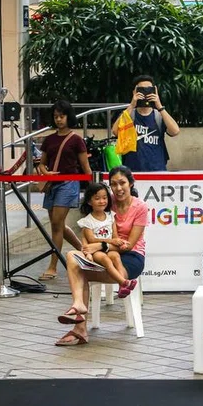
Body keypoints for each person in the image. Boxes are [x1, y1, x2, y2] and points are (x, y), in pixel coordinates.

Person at [56, 166, 147, 346]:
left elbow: (128, 244)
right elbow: (87, 228)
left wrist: (100, 245)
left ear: (131, 183)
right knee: (72, 256)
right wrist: (89, 247)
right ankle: (78, 305)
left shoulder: (140, 207)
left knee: (79, 271)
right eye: (114, 184)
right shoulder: (105, 202)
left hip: (130, 258)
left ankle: (80, 328)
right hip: (103, 255)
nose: (118, 188)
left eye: (122, 183)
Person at [37, 100, 91, 281]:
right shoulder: (49, 139)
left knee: (56, 224)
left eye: (62, 116)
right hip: (52, 183)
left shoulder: (76, 140)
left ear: (69, 116)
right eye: (56, 116)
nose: (59, 120)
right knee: (56, 224)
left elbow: (85, 166)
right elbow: (42, 164)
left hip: (69, 183)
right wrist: (46, 172)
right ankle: (83, 249)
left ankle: (53, 266)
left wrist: (92, 188)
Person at [74, 182, 137, 297]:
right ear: (89, 202)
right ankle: (123, 282)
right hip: (96, 251)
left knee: (116, 257)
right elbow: (92, 240)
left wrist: (120, 242)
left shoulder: (110, 216)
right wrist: (111, 241)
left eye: (104, 198)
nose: (102, 201)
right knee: (106, 260)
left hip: (108, 248)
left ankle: (122, 286)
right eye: (97, 198)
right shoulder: (87, 221)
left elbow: (115, 235)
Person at [111, 75, 181, 171]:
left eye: (149, 89)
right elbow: (115, 131)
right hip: (131, 171)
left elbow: (175, 131)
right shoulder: (129, 115)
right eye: (141, 89)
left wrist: (159, 106)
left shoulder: (159, 116)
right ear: (134, 92)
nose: (145, 93)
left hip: (157, 170)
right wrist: (132, 105)